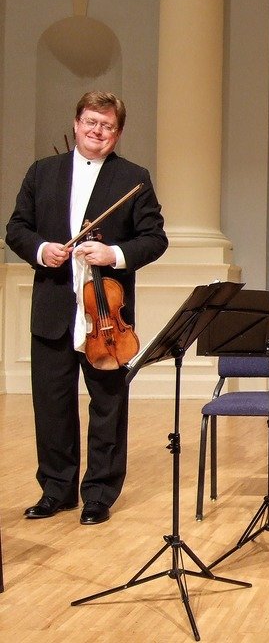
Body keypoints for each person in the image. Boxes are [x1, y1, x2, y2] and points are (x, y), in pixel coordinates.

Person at [5, 91, 168, 525]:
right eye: (91, 122)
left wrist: (113, 253)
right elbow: (16, 228)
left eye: (107, 126)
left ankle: (99, 493)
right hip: (54, 307)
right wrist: (42, 250)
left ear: (118, 133)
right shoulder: (43, 172)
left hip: (107, 315)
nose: (98, 131)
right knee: (52, 403)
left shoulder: (133, 177)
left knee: (108, 404)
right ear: (77, 124)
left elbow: (155, 238)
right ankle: (56, 489)